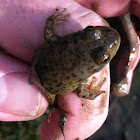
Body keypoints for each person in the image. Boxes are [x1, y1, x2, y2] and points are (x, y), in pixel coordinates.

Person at [0, 0, 139, 139]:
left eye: (104, 57)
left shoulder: (62, 42)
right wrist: (94, 92)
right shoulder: (82, 79)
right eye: (92, 31)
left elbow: (49, 35)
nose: (111, 38)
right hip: (49, 83)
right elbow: (83, 93)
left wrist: (52, 20)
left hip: (42, 60)